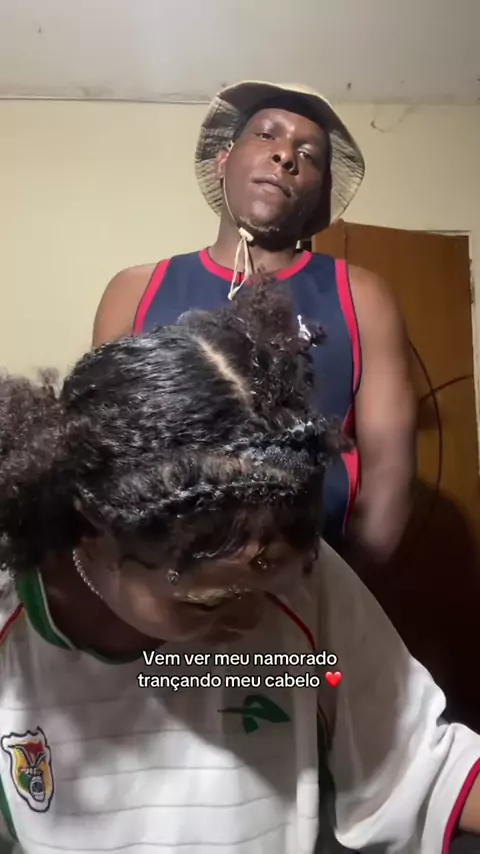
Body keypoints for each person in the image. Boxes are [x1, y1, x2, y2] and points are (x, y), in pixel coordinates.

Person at [0, 280, 479, 853]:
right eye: (211, 601)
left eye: (275, 584)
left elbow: (416, 760)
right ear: (93, 534)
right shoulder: (12, 631)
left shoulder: (301, 584)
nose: (256, 619)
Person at [93, 80, 416, 567]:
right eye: (266, 135)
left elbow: (390, 471)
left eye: (308, 154)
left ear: (318, 190)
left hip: (309, 579)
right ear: (224, 160)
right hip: (158, 578)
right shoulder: (133, 290)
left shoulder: (364, 296)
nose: (285, 155)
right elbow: (101, 456)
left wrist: (332, 596)